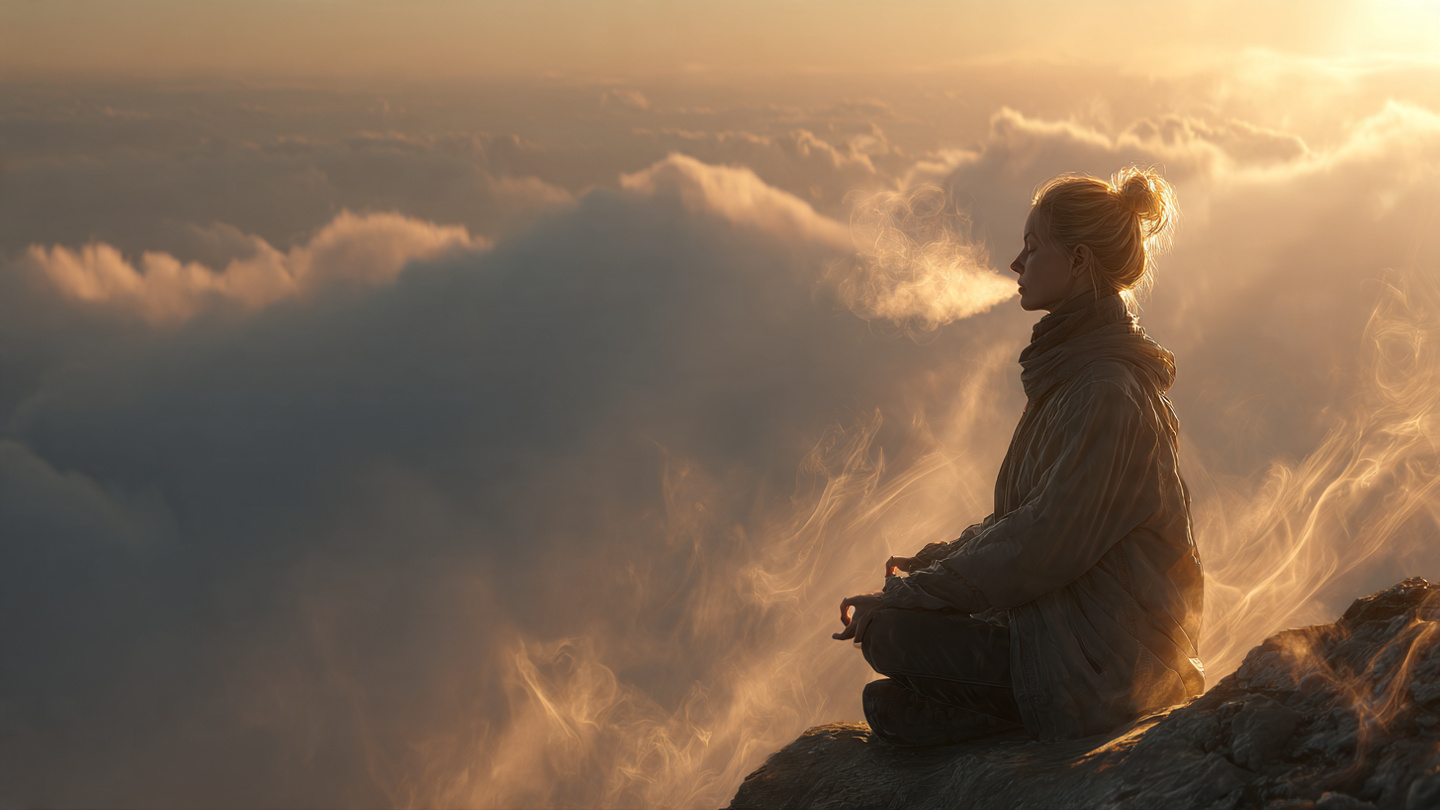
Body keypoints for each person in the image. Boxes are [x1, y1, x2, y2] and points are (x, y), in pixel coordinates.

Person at [833, 167, 1205, 745]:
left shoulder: (1106, 391)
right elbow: (1026, 520)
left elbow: (1042, 541)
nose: (1016, 263)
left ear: (1078, 261)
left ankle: (1031, 714)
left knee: (891, 638)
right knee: (888, 699)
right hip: (1074, 640)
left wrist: (917, 592)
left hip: (1107, 666)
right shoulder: (1078, 378)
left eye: (1032, 248)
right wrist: (937, 564)